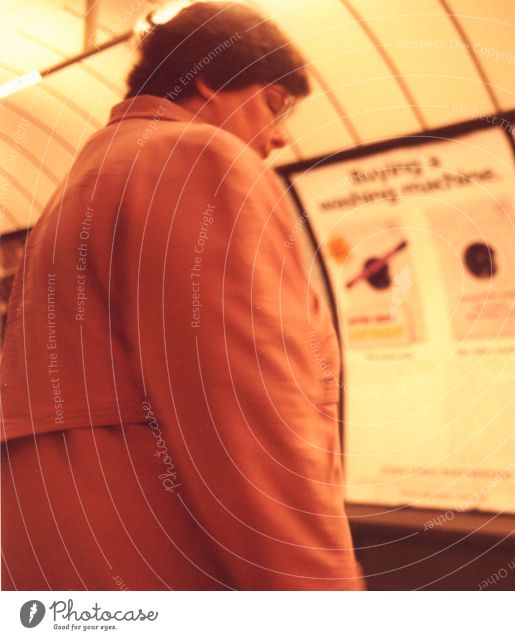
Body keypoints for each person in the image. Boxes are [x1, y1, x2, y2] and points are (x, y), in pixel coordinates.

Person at [1, 2, 364, 590]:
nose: (278, 136)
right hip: (163, 554)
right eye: (273, 104)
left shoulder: (81, 184)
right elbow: (246, 408)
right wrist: (320, 595)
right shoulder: (198, 160)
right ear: (210, 78)